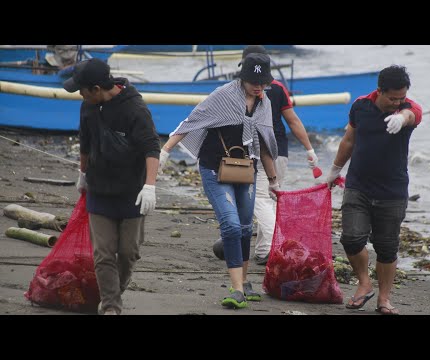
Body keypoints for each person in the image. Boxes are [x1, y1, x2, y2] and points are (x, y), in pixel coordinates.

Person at [158, 53, 279, 309]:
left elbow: (265, 143)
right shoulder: (223, 95)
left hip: (247, 171)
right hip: (214, 168)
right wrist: (165, 151)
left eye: (263, 81)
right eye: (253, 80)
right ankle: (236, 289)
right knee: (232, 226)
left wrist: (274, 181)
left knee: (246, 228)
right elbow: (192, 121)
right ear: (242, 77)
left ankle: (245, 283)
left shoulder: (264, 103)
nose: (258, 86)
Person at [63, 58, 160, 315]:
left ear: (96, 88)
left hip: (132, 192)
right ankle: (111, 307)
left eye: (82, 90)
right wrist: (82, 174)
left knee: (128, 253)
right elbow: (85, 143)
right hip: (99, 190)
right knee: (103, 254)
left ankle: (114, 290)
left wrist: (149, 186)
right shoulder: (88, 107)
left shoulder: (135, 109)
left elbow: (152, 148)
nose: (80, 95)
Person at [326, 65, 422, 315]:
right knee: (351, 237)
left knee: (387, 247)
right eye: (393, 98)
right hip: (358, 186)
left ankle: (384, 299)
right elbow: (349, 139)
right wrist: (335, 170)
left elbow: (414, 114)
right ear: (379, 91)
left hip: (393, 191)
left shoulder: (407, 110)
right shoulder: (360, 106)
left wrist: (402, 117)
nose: (397, 102)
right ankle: (364, 284)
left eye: (401, 97)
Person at [241, 45, 319, 265]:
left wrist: (309, 148)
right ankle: (264, 251)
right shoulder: (277, 88)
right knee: (270, 199)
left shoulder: (244, 89)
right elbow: (292, 120)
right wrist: (309, 149)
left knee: (260, 199)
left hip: (263, 151)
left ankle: (276, 246)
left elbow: (293, 120)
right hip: (280, 152)